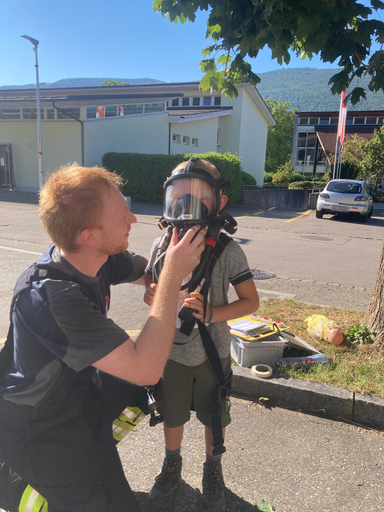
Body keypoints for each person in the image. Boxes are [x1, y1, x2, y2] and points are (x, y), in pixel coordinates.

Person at [0, 164, 206, 512]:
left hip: (74, 397)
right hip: (37, 426)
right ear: (89, 236)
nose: (133, 218)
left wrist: (155, 280)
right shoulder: (55, 298)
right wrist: (171, 277)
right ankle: (18, 482)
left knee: (119, 498)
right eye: (121, 213)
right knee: (86, 502)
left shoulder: (97, 258)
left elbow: (143, 269)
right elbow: (145, 369)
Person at [144, 158, 259, 512]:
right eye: (178, 196)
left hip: (213, 353)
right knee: (172, 412)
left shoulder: (227, 250)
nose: (185, 205)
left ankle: (213, 470)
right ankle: (172, 464)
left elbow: (250, 301)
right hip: (171, 353)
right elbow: (152, 285)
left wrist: (212, 313)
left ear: (219, 202)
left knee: (214, 416)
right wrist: (151, 293)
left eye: (197, 196)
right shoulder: (161, 245)